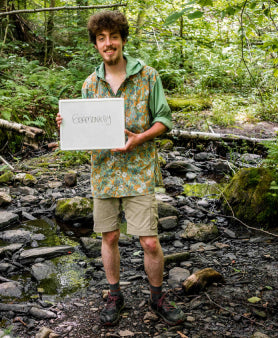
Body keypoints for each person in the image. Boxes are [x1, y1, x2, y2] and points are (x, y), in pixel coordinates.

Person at [56, 10, 185, 326]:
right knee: (110, 237)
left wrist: (140, 138)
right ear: (96, 44)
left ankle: (157, 298)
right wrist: (67, 125)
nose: (108, 43)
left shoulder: (148, 76)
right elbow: (86, 133)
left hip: (139, 169)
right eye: (101, 38)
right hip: (104, 171)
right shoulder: (90, 84)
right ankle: (115, 295)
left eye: (113, 36)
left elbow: (165, 120)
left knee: (150, 241)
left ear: (123, 39)